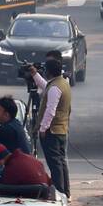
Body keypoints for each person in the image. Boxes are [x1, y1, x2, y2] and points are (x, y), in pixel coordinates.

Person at [37, 56, 72, 197]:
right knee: (61, 162)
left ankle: (59, 192)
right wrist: (35, 74)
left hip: (52, 131)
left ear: (49, 71)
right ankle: (66, 192)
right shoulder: (62, 83)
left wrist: (42, 128)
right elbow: (45, 85)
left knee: (55, 164)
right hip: (62, 129)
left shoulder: (54, 88)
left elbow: (50, 110)